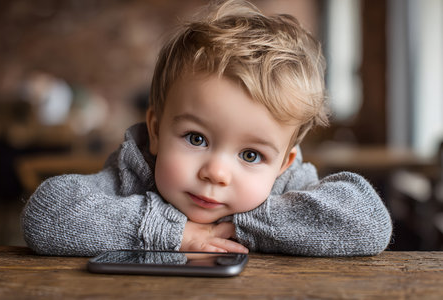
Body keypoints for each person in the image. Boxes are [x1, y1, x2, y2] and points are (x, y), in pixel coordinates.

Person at [21, 0, 392, 257]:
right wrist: (175, 232)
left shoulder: (288, 188)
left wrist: (240, 225)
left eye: (251, 155)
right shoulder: (133, 176)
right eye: (196, 138)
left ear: (283, 164)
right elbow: (45, 215)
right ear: (155, 130)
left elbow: (370, 225)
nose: (215, 171)